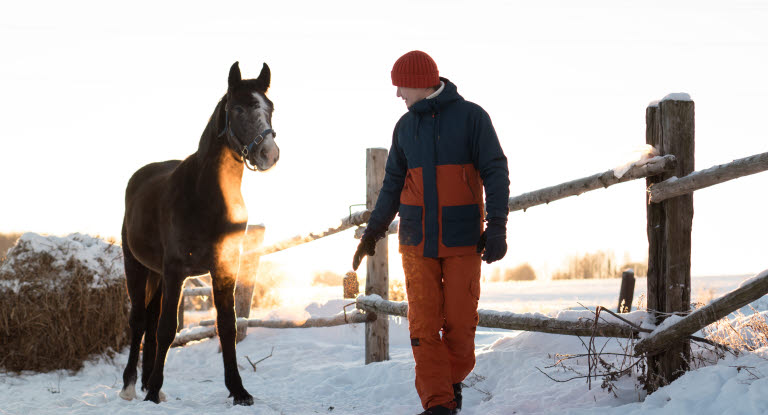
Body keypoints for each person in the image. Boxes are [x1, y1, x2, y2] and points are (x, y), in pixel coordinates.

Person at [352, 50, 510, 415]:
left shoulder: (472, 118)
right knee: (423, 326)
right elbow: (392, 184)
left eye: (401, 86)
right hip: (416, 242)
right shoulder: (405, 127)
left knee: (460, 325)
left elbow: (495, 171)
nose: (398, 94)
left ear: (420, 82)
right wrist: (373, 232)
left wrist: (497, 225)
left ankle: (448, 386)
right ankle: (438, 403)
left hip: (462, 239)